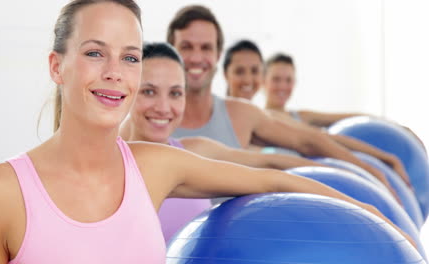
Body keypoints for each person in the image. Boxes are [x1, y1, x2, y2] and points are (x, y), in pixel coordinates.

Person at [0, 1, 415, 263]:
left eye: (130, 57)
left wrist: (382, 218)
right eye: (95, 53)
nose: (115, 73)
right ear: (57, 65)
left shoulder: (154, 167)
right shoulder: (0, 194)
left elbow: (274, 179)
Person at [166, 5, 401, 193]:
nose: (196, 57)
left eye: (205, 48)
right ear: (171, 49)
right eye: (186, 47)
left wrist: (369, 170)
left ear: (217, 54)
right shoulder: (149, 121)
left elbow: (308, 140)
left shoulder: (241, 114)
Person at [120, 42, 331, 241]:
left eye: (175, 93)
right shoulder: (111, 162)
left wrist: (348, 185)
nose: (163, 107)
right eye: (148, 91)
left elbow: (270, 169)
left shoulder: (194, 153)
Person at [222, 40, 412, 187]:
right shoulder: (239, 119)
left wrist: (387, 141)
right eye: (239, 71)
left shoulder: (274, 120)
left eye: (254, 71)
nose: (248, 78)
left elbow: (321, 138)